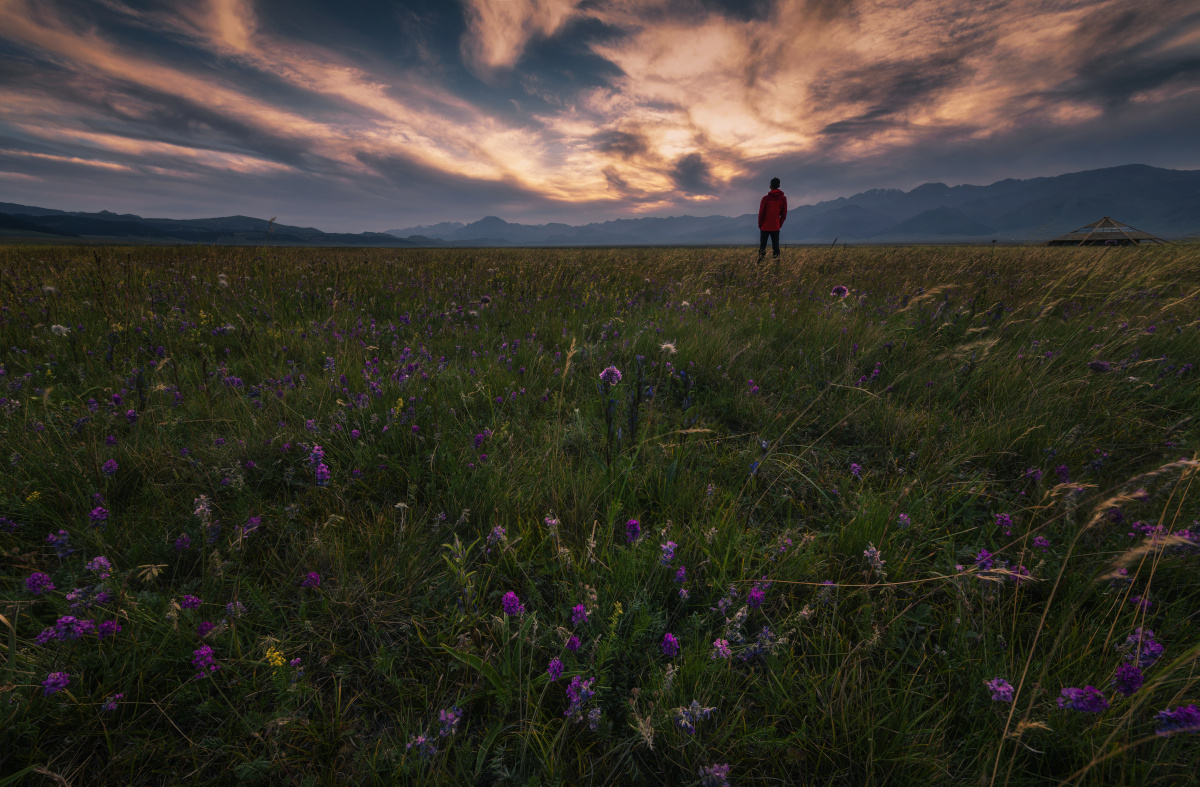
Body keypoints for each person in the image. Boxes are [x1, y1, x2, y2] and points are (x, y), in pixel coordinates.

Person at [757, 177, 787, 260]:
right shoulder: (783, 199)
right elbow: (784, 214)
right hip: (775, 226)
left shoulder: (765, 199)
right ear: (779, 186)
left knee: (762, 247)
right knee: (776, 247)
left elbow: (761, 213)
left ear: (770, 186)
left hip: (765, 226)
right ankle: (776, 265)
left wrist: (760, 225)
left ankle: (760, 265)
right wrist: (779, 224)